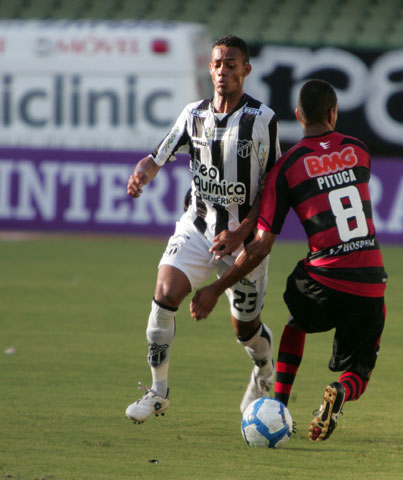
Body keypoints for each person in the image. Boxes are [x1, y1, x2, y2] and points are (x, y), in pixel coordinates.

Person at [190, 79, 387, 441]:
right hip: (370, 281)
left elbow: (262, 245)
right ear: (333, 113)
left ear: (298, 116)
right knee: (359, 367)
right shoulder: (360, 151)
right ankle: (341, 391)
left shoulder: (288, 166)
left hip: (322, 282)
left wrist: (217, 288)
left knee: (298, 320)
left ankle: (278, 403)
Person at [124, 35, 281, 423]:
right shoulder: (193, 114)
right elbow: (157, 156)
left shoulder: (263, 121)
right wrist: (142, 175)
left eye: (231, 64)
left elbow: (273, 189)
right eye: (216, 64)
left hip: (242, 241)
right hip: (197, 227)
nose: (222, 71)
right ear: (209, 68)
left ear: (246, 69)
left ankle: (264, 370)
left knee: (245, 332)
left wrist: (243, 231)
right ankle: (158, 392)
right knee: (163, 296)